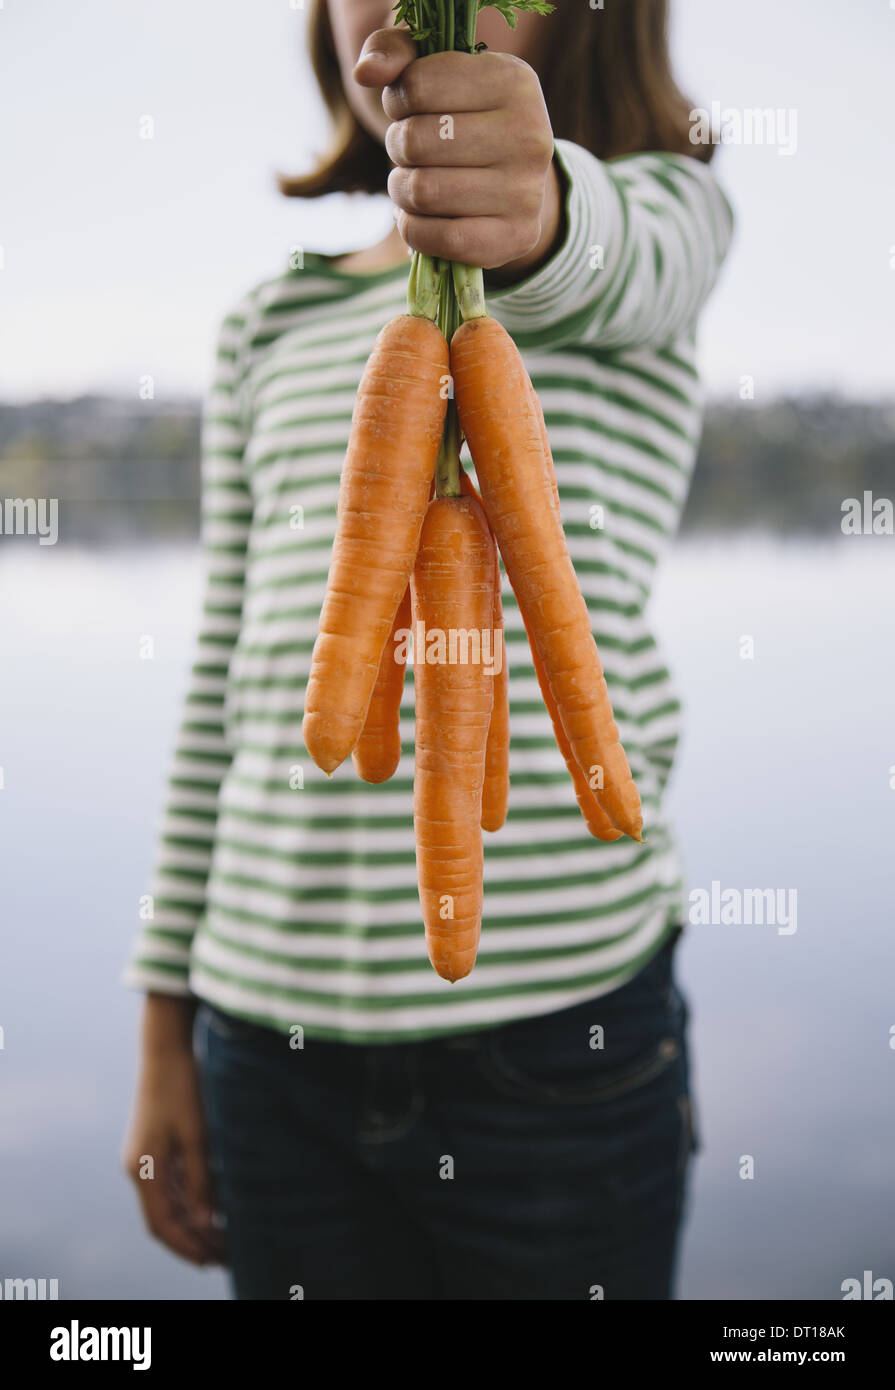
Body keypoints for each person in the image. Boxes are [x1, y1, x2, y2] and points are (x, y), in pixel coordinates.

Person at [122, 0, 733, 1300]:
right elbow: (219, 696)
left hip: (564, 1045)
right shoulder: (267, 323)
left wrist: (536, 205)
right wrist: (165, 1025)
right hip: (263, 1037)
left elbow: (601, 248)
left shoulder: (654, 223)